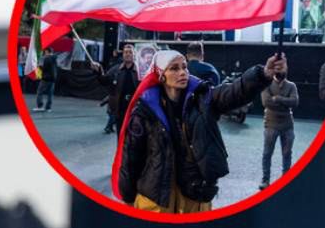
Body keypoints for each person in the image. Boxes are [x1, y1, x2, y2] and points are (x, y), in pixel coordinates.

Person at [112, 50, 282, 213]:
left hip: (195, 192)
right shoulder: (144, 111)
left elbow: (234, 92)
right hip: (157, 195)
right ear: (161, 75)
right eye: (174, 68)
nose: (182, 72)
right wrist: (127, 196)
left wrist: (264, 74)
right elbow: (131, 158)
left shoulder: (203, 98)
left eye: (184, 67)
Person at [259, 54, 299, 189]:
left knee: (287, 153)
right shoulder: (267, 84)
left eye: (283, 66)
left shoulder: (291, 86)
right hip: (271, 124)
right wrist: (284, 101)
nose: (280, 70)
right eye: (278, 67)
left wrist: (277, 99)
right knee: (267, 153)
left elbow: (295, 102)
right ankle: (265, 180)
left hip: (288, 125)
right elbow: (266, 102)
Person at [92, 43, 139, 134]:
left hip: (135, 110)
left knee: (134, 137)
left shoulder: (140, 71)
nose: (128, 54)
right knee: (121, 135)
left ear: (134, 55)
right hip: (120, 109)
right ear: (123, 54)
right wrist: (97, 71)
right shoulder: (116, 70)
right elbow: (104, 80)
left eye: (130, 52)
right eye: (125, 52)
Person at [32, 47, 58, 112]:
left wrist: (39, 67)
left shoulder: (47, 58)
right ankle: (48, 108)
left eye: (45, 52)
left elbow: (45, 69)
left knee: (39, 92)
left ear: (47, 51)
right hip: (53, 78)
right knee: (50, 94)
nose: (44, 53)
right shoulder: (55, 58)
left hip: (46, 78)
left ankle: (40, 106)